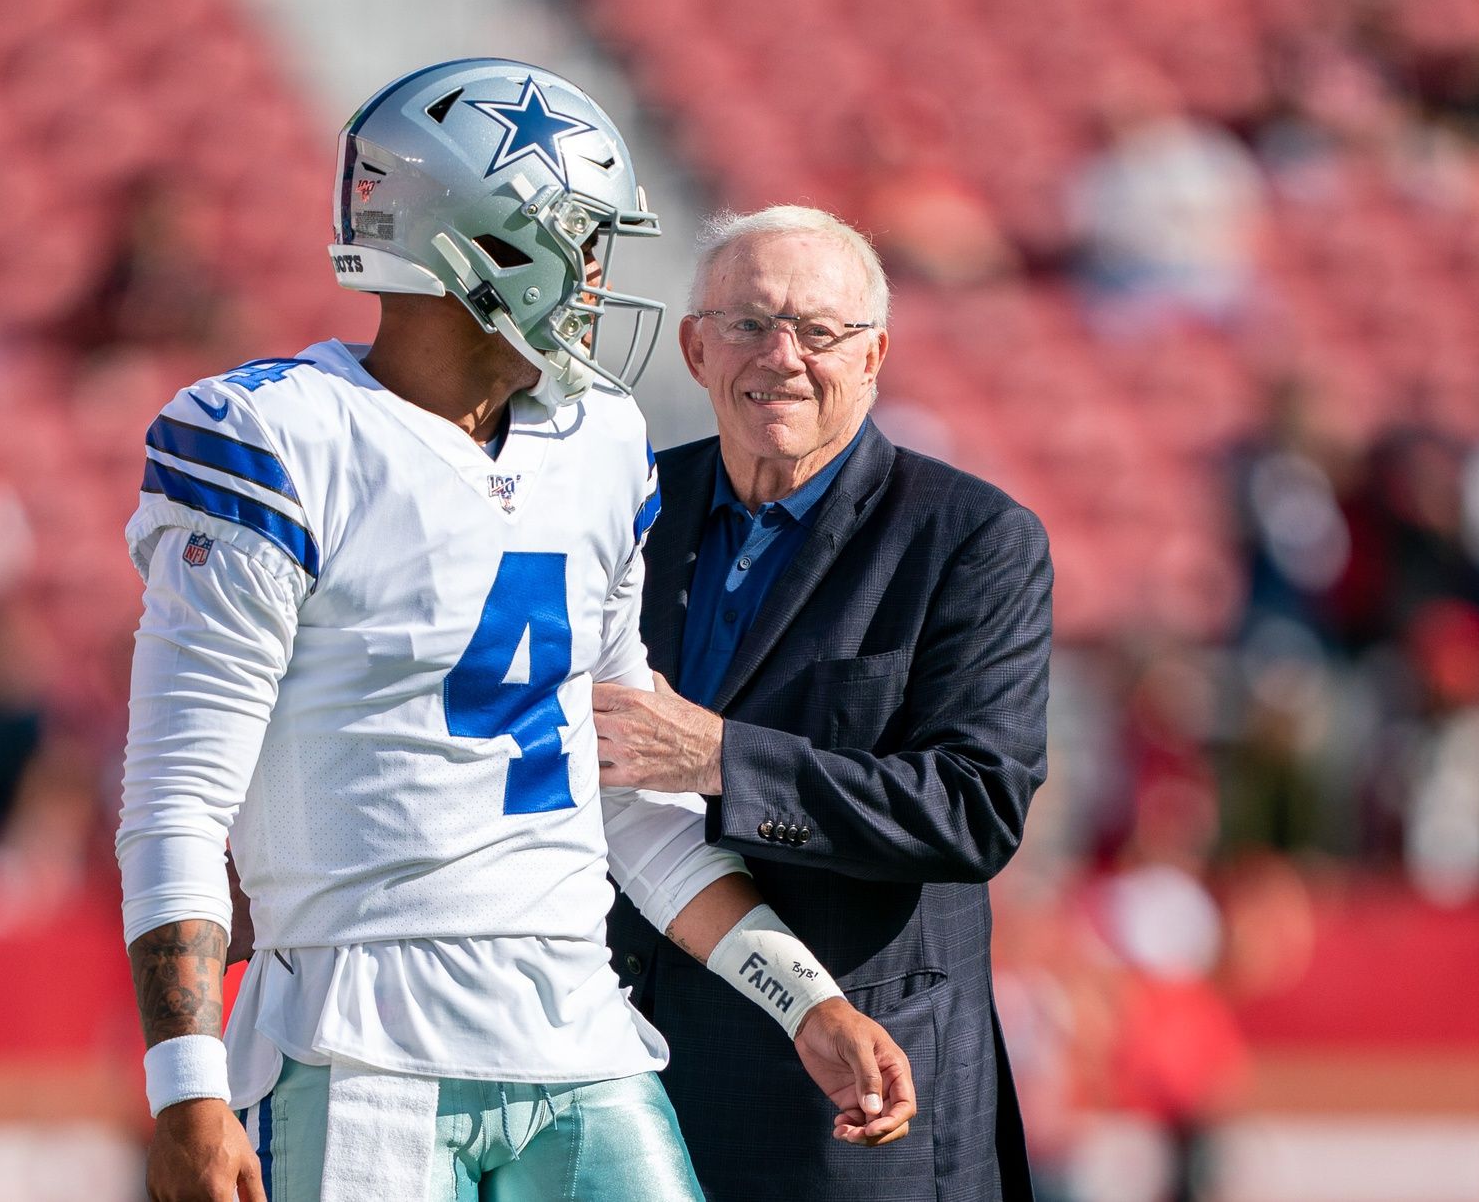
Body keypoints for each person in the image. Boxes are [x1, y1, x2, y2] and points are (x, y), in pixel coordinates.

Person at [114, 62, 914, 1202]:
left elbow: (622, 789)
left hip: (578, 1029)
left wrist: (805, 997)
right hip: (360, 1039)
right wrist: (187, 1087)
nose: (597, 277)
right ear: (479, 244)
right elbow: (176, 800)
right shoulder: (277, 439)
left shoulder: (597, 440)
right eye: (579, 239)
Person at [595, 205, 1053, 1201]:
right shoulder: (620, 508)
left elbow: (973, 809)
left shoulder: (971, 539)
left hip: (853, 1098)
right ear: (694, 346)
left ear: (876, 352)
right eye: (750, 323)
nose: (784, 356)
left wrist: (719, 757)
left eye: (821, 330)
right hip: (615, 1074)